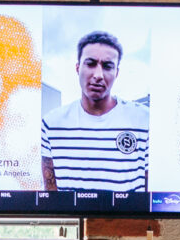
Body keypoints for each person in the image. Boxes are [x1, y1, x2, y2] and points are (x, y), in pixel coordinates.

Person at [41, 32, 150, 195]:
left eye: (107, 66)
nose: (98, 75)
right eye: (91, 64)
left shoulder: (144, 120)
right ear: (77, 68)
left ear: (117, 73)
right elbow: (51, 197)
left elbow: (151, 196)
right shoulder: (52, 124)